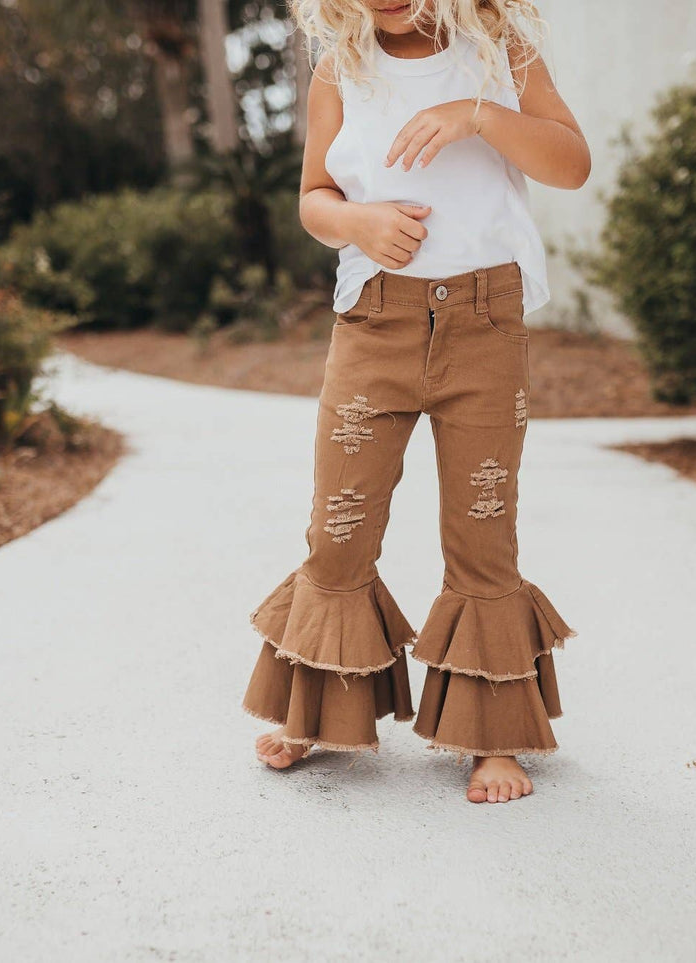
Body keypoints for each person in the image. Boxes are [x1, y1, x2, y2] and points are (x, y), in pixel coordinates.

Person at [242, 0, 591, 804]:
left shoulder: (501, 49)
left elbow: (569, 163)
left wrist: (478, 115)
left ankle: (493, 736)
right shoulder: (341, 68)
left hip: (483, 321)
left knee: (481, 533)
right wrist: (357, 221)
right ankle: (316, 710)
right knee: (339, 528)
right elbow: (312, 198)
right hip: (374, 323)